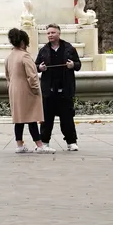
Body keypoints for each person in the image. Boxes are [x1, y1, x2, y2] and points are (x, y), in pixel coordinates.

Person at [5, 28, 51, 154]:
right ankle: (39, 145)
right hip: (27, 90)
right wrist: (36, 89)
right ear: (24, 42)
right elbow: (32, 75)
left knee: (19, 118)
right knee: (32, 117)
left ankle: (19, 144)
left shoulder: (10, 56)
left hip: (14, 90)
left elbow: (7, 75)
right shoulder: (25, 56)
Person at [36, 23, 80, 151]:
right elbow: (36, 65)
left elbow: (78, 64)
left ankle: (71, 142)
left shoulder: (69, 48)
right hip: (48, 90)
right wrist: (40, 68)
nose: (50, 35)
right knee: (46, 118)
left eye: (53, 32)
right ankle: (44, 141)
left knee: (67, 117)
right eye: (48, 33)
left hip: (65, 89)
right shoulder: (43, 50)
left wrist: (73, 65)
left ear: (59, 33)